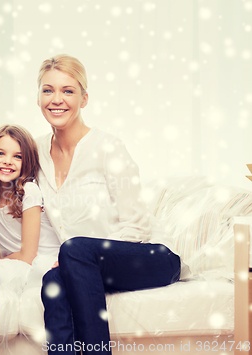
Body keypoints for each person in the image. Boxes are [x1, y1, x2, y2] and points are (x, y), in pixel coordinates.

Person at [36, 54, 186, 355]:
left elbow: (137, 225)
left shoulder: (108, 147)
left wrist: (80, 257)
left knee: (74, 249)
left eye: (68, 91)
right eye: (48, 90)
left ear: (85, 98)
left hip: (151, 256)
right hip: (84, 262)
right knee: (53, 280)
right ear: (38, 96)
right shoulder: (35, 152)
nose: (57, 99)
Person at [0, 125, 61, 290]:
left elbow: (28, 255)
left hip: (44, 260)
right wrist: (0, 266)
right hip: (15, 263)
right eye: (0, 153)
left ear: (26, 162)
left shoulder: (29, 191)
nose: (7, 161)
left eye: (17, 156)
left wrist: (2, 264)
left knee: (34, 269)